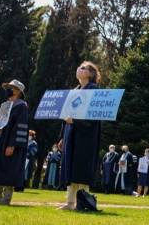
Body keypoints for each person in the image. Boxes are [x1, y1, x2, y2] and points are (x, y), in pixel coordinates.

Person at [57, 61, 102, 211]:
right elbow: (66, 115)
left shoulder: (94, 90)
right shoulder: (74, 91)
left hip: (86, 136)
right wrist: (63, 136)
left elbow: (93, 117)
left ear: (91, 73)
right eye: (79, 67)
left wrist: (75, 121)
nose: (79, 69)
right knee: (70, 167)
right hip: (71, 134)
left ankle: (83, 202)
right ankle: (70, 203)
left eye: (83, 68)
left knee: (81, 168)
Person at [0, 79, 30, 205]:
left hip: (10, 142)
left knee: (8, 169)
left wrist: (12, 144)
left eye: (11, 88)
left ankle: (5, 199)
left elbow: (20, 127)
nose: (8, 90)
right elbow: (0, 121)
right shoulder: (5, 105)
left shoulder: (22, 106)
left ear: (17, 91)